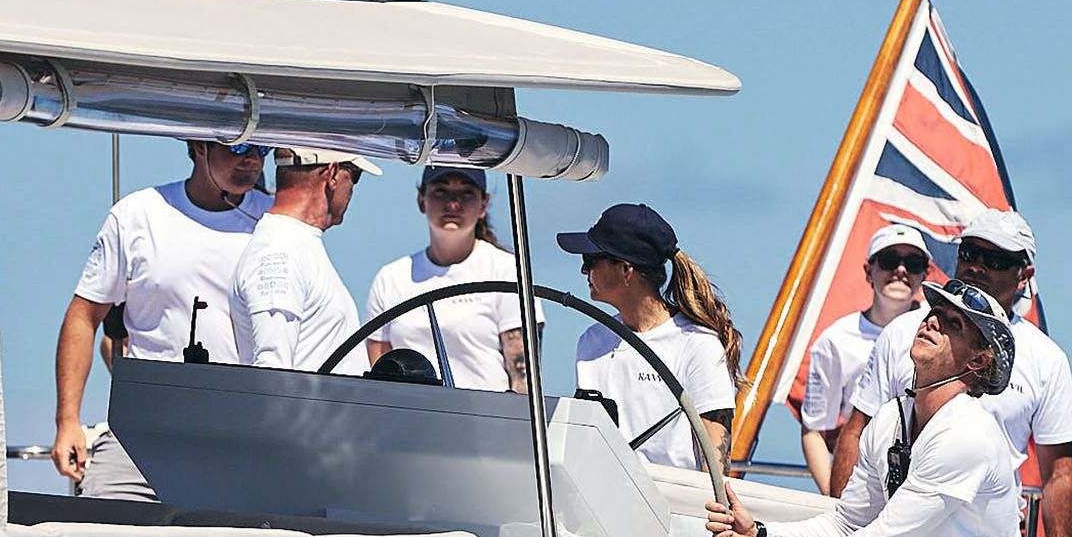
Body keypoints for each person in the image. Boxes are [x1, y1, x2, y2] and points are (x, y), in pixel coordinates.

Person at [704, 280, 1025, 537]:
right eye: (933, 313)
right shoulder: (889, 421)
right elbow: (847, 523)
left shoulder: (966, 435)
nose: (931, 322)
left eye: (952, 325)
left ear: (977, 359)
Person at [828, 209, 1072, 537]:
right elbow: (857, 430)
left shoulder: (1048, 360)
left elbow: (1058, 473)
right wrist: (844, 531)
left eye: (996, 260)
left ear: (1024, 275)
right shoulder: (904, 333)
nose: (977, 267)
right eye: (969, 253)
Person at [52, 138, 272, 499]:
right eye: (238, 147)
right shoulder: (136, 215)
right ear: (199, 146)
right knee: (98, 527)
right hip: (144, 430)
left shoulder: (277, 223)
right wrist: (67, 421)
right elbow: (83, 316)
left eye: (262, 149)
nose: (252, 159)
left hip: (244, 432)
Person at [559, 203, 741, 472]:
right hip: (604, 500)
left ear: (625, 270)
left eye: (590, 261)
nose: (583, 271)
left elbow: (715, 461)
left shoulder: (698, 346)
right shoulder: (590, 343)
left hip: (676, 506)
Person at [363, 165, 529, 392]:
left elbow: (524, 380)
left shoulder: (507, 271)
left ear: (484, 204)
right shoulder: (390, 278)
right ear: (422, 200)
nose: (453, 204)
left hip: (487, 419)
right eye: (441, 191)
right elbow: (379, 376)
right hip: (410, 420)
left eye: (466, 193)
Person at [790, 222, 929, 491]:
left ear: (925, 274)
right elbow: (814, 429)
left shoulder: (943, 333)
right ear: (869, 271)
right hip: (861, 485)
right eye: (889, 261)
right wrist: (835, 501)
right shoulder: (834, 342)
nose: (901, 271)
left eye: (912, 263)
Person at [232, 148, 378, 373]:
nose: (352, 189)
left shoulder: (290, 243)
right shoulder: (279, 250)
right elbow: (271, 370)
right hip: (307, 409)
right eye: (355, 174)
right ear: (332, 174)